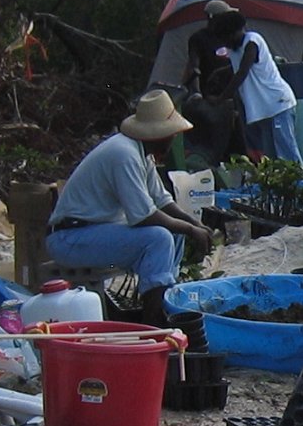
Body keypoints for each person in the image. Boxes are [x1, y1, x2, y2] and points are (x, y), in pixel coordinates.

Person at [46, 90, 213, 328]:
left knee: (173, 234)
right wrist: (190, 228)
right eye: (171, 135)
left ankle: (165, 298)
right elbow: (144, 216)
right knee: (158, 238)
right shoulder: (124, 154)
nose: (173, 140)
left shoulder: (141, 153)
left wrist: (193, 224)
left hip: (93, 232)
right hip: (69, 238)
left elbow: (161, 200)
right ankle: (152, 320)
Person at [209, 0, 302, 163]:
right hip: (264, 109)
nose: (226, 44)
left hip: (278, 103)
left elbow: (242, 73)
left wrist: (220, 99)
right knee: (271, 158)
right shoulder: (235, 50)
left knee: (287, 153)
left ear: (233, 33)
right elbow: (236, 69)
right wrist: (218, 73)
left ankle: (301, 185)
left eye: (226, 39)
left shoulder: (252, 42)